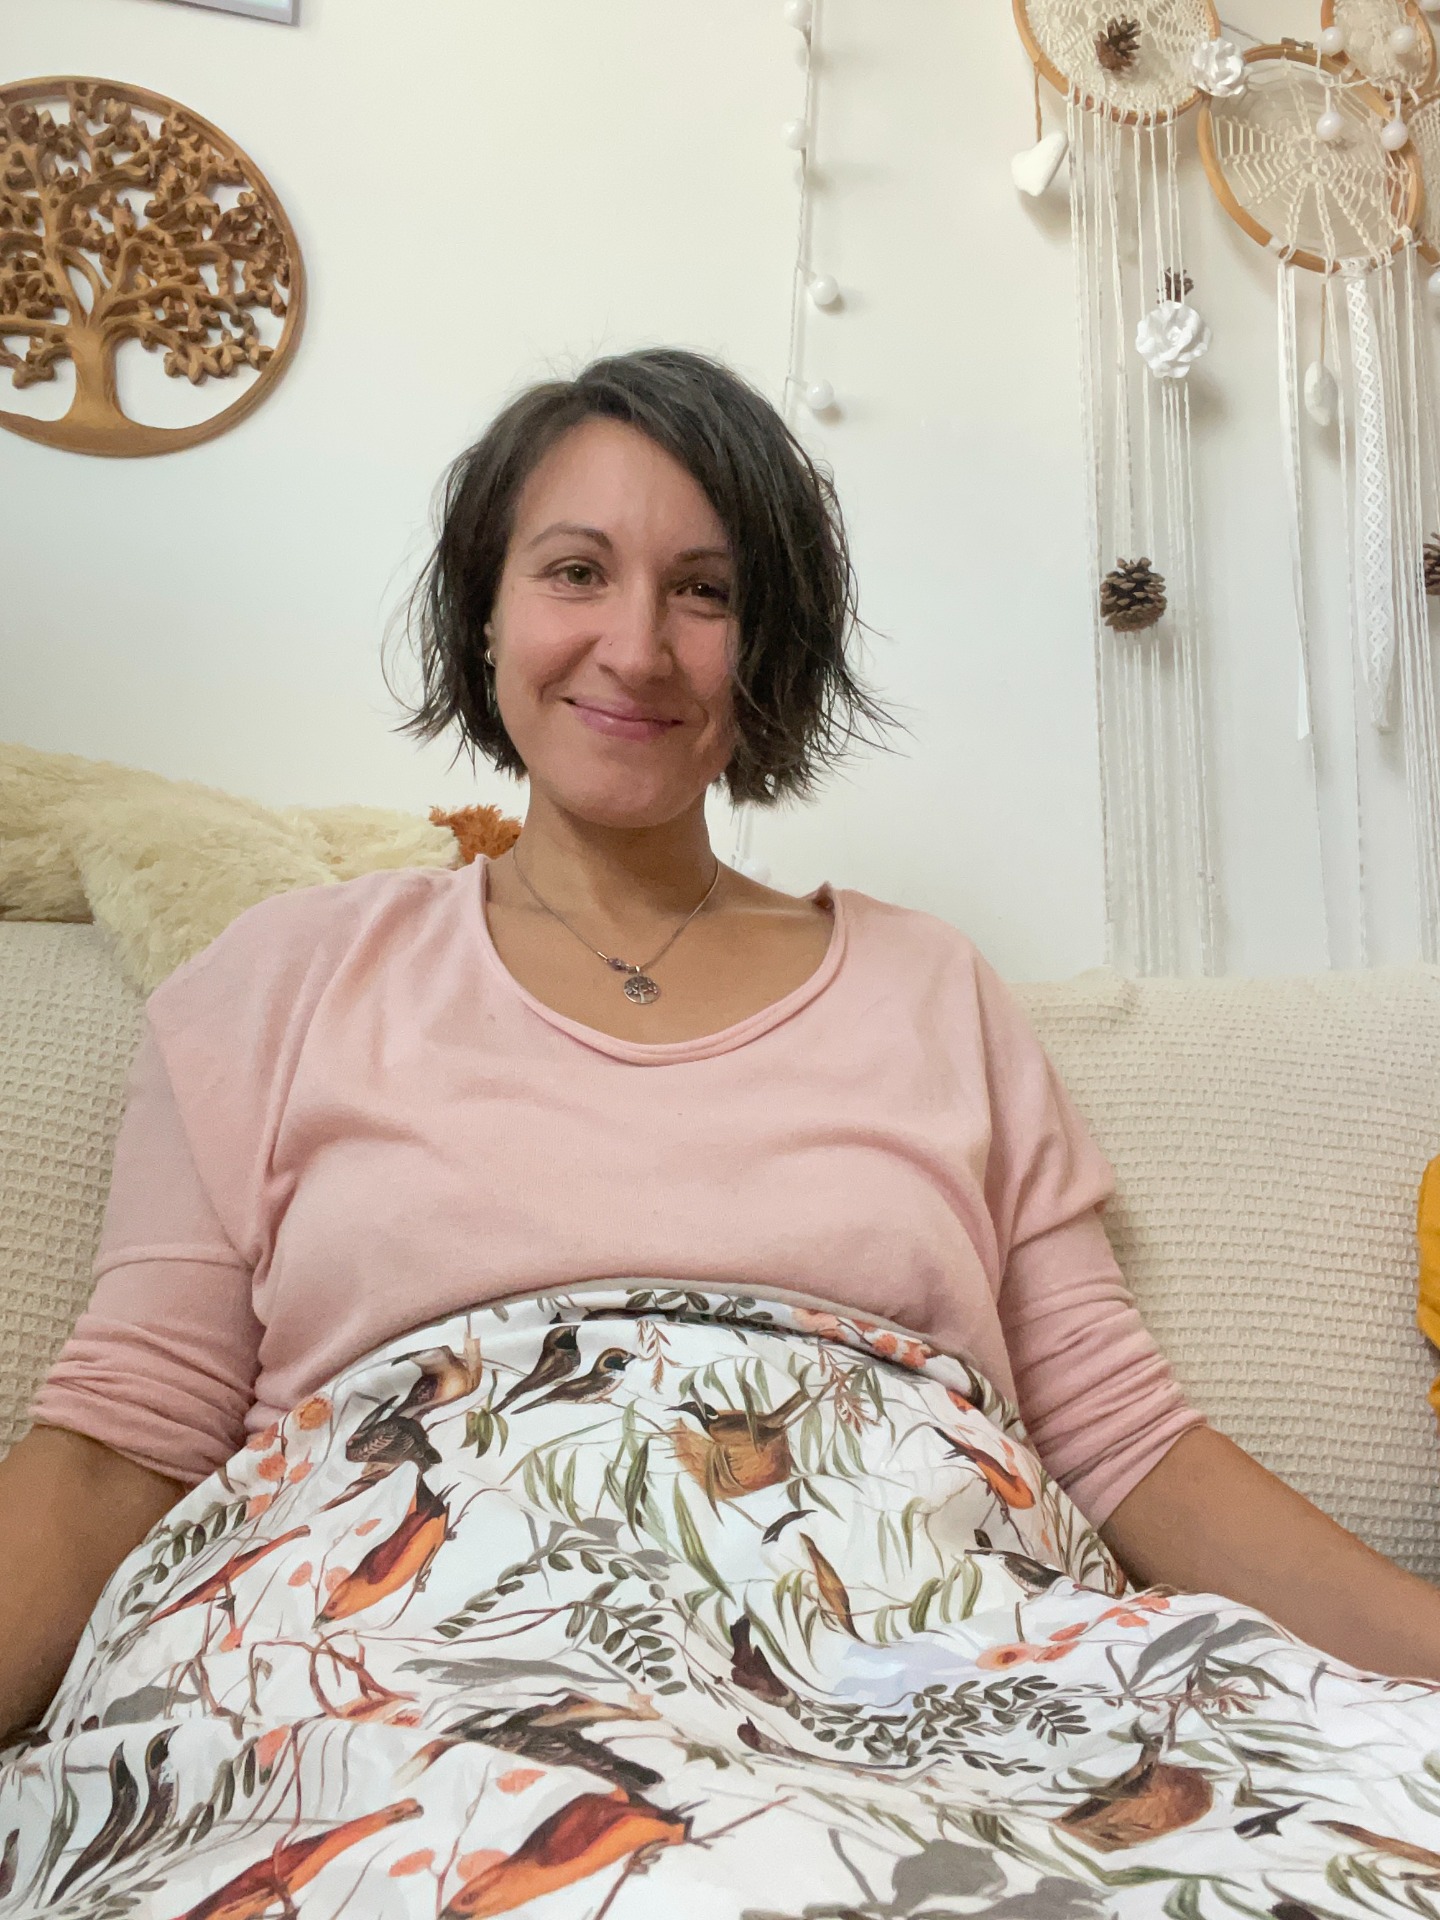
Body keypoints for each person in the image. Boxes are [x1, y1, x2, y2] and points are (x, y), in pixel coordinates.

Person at [5, 346, 1438, 1752]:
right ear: (484, 614)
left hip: (934, 1696)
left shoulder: (934, 990)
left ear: (770, 651)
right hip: (389, 1701)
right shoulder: (283, 978)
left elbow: (1125, 1439)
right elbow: (123, 1440)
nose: (637, 648)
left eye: (706, 591)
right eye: (576, 572)